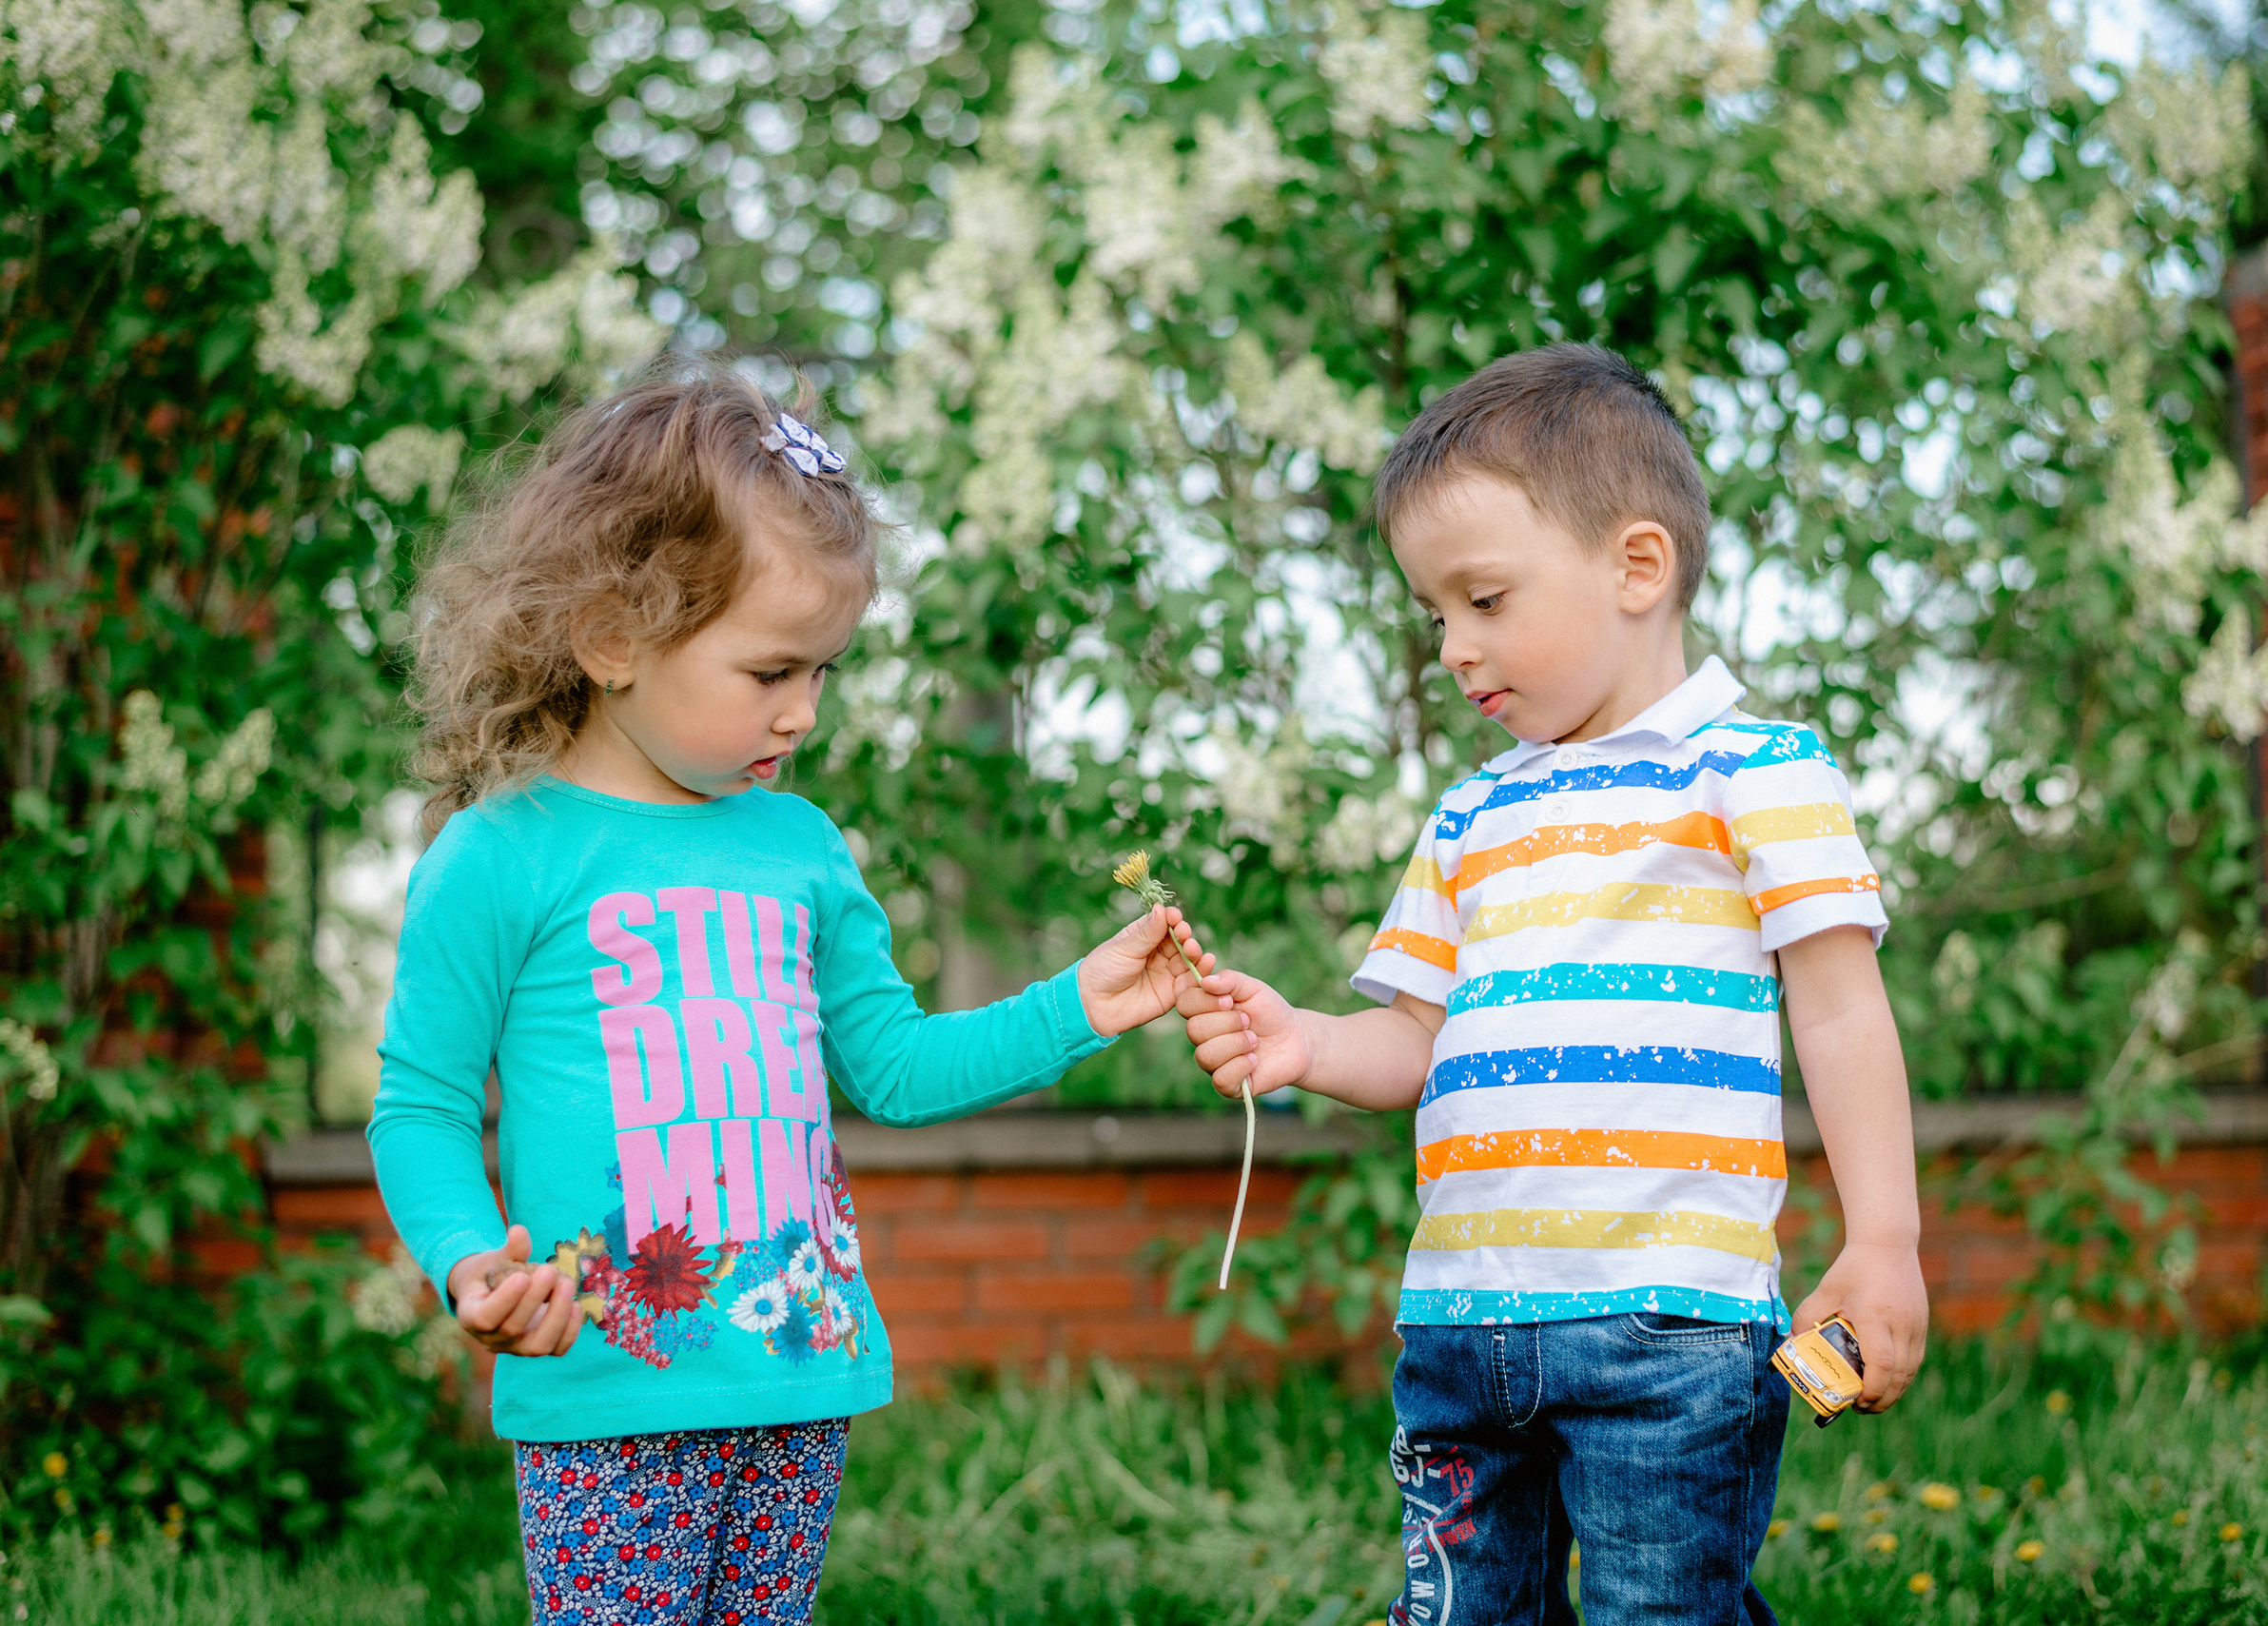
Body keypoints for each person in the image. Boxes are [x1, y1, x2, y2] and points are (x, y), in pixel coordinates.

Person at [367, 363, 1211, 1625]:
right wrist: (468, 1259)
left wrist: (1074, 1004)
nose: (805, 711)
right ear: (611, 639)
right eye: (771, 672)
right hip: (612, 1392)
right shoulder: (502, 854)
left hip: (799, 1377)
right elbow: (420, 1104)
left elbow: (896, 1070)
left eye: (824, 670)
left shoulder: (801, 847)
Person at [1176, 343, 1926, 1624]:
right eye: (1436, 615)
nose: (1457, 648)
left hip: (1670, 1327)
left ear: (1639, 566)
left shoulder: (1754, 772)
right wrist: (1306, 1040)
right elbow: (1414, 1036)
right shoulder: (1473, 815)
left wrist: (1885, 1239)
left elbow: (1842, 1007)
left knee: (1658, 1612)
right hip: (1462, 1328)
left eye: (1484, 598)